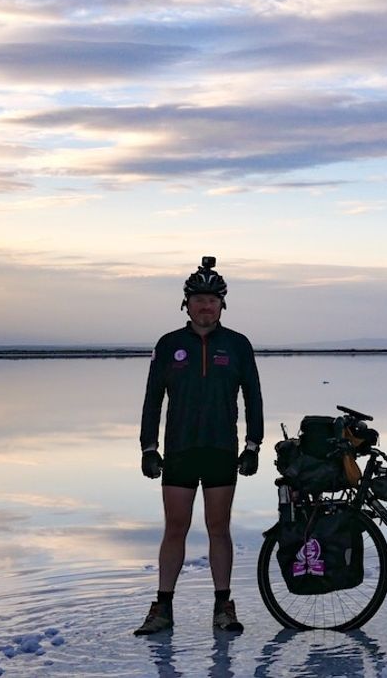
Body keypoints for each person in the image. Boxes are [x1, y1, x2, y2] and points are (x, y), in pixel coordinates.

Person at [134, 257, 264, 635]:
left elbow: (253, 397)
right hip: (179, 450)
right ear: (186, 303)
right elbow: (152, 400)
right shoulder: (169, 344)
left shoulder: (238, 345)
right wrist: (148, 447)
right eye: (198, 299)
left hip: (222, 449)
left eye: (212, 300)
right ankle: (163, 607)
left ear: (223, 304)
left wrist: (254, 444)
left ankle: (223, 606)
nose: (205, 306)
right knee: (174, 527)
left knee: (218, 528)